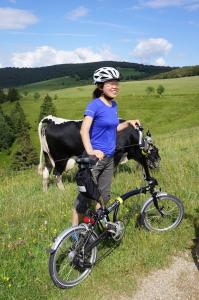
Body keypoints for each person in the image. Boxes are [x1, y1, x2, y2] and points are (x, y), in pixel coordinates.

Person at [72, 67, 140, 226]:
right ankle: (75, 234)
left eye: (116, 83)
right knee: (84, 199)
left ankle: (96, 226)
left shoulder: (113, 105)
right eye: (110, 83)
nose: (115, 86)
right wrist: (91, 151)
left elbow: (113, 128)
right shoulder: (94, 105)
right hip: (93, 160)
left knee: (103, 196)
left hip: (109, 158)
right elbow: (84, 130)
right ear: (100, 86)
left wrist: (128, 123)